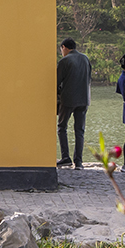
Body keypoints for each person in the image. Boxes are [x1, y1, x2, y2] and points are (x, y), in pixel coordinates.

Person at [56, 37, 91, 169]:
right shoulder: (85, 58)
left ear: (64, 47)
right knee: (79, 130)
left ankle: (66, 157)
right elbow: (89, 78)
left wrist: (60, 93)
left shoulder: (65, 61)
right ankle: (79, 162)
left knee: (62, 127)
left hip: (68, 99)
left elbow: (56, 82)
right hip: (84, 99)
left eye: (61, 50)